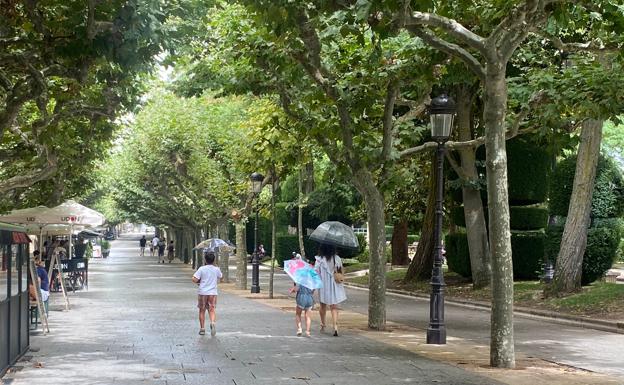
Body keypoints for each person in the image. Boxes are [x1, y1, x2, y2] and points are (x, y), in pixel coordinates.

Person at [314, 243, 347, 337]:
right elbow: (340, 270)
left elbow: (316, 272)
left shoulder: (319, 259)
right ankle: (335, 326)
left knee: (323, 305)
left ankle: (323, 324)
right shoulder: (337, 258)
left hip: (323, 285)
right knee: (334, 306)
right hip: (335, 284)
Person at [192, 251, 223, 336]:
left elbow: (194, 279)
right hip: (213, 292)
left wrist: (199, 282)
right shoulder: (216, 269)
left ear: (205, 260)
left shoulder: (202, 269)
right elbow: (221, 277)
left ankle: (202, 329)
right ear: (214, 260)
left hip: (203, 292)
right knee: (212, 309)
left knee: (202, 310)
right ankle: (212, 322)